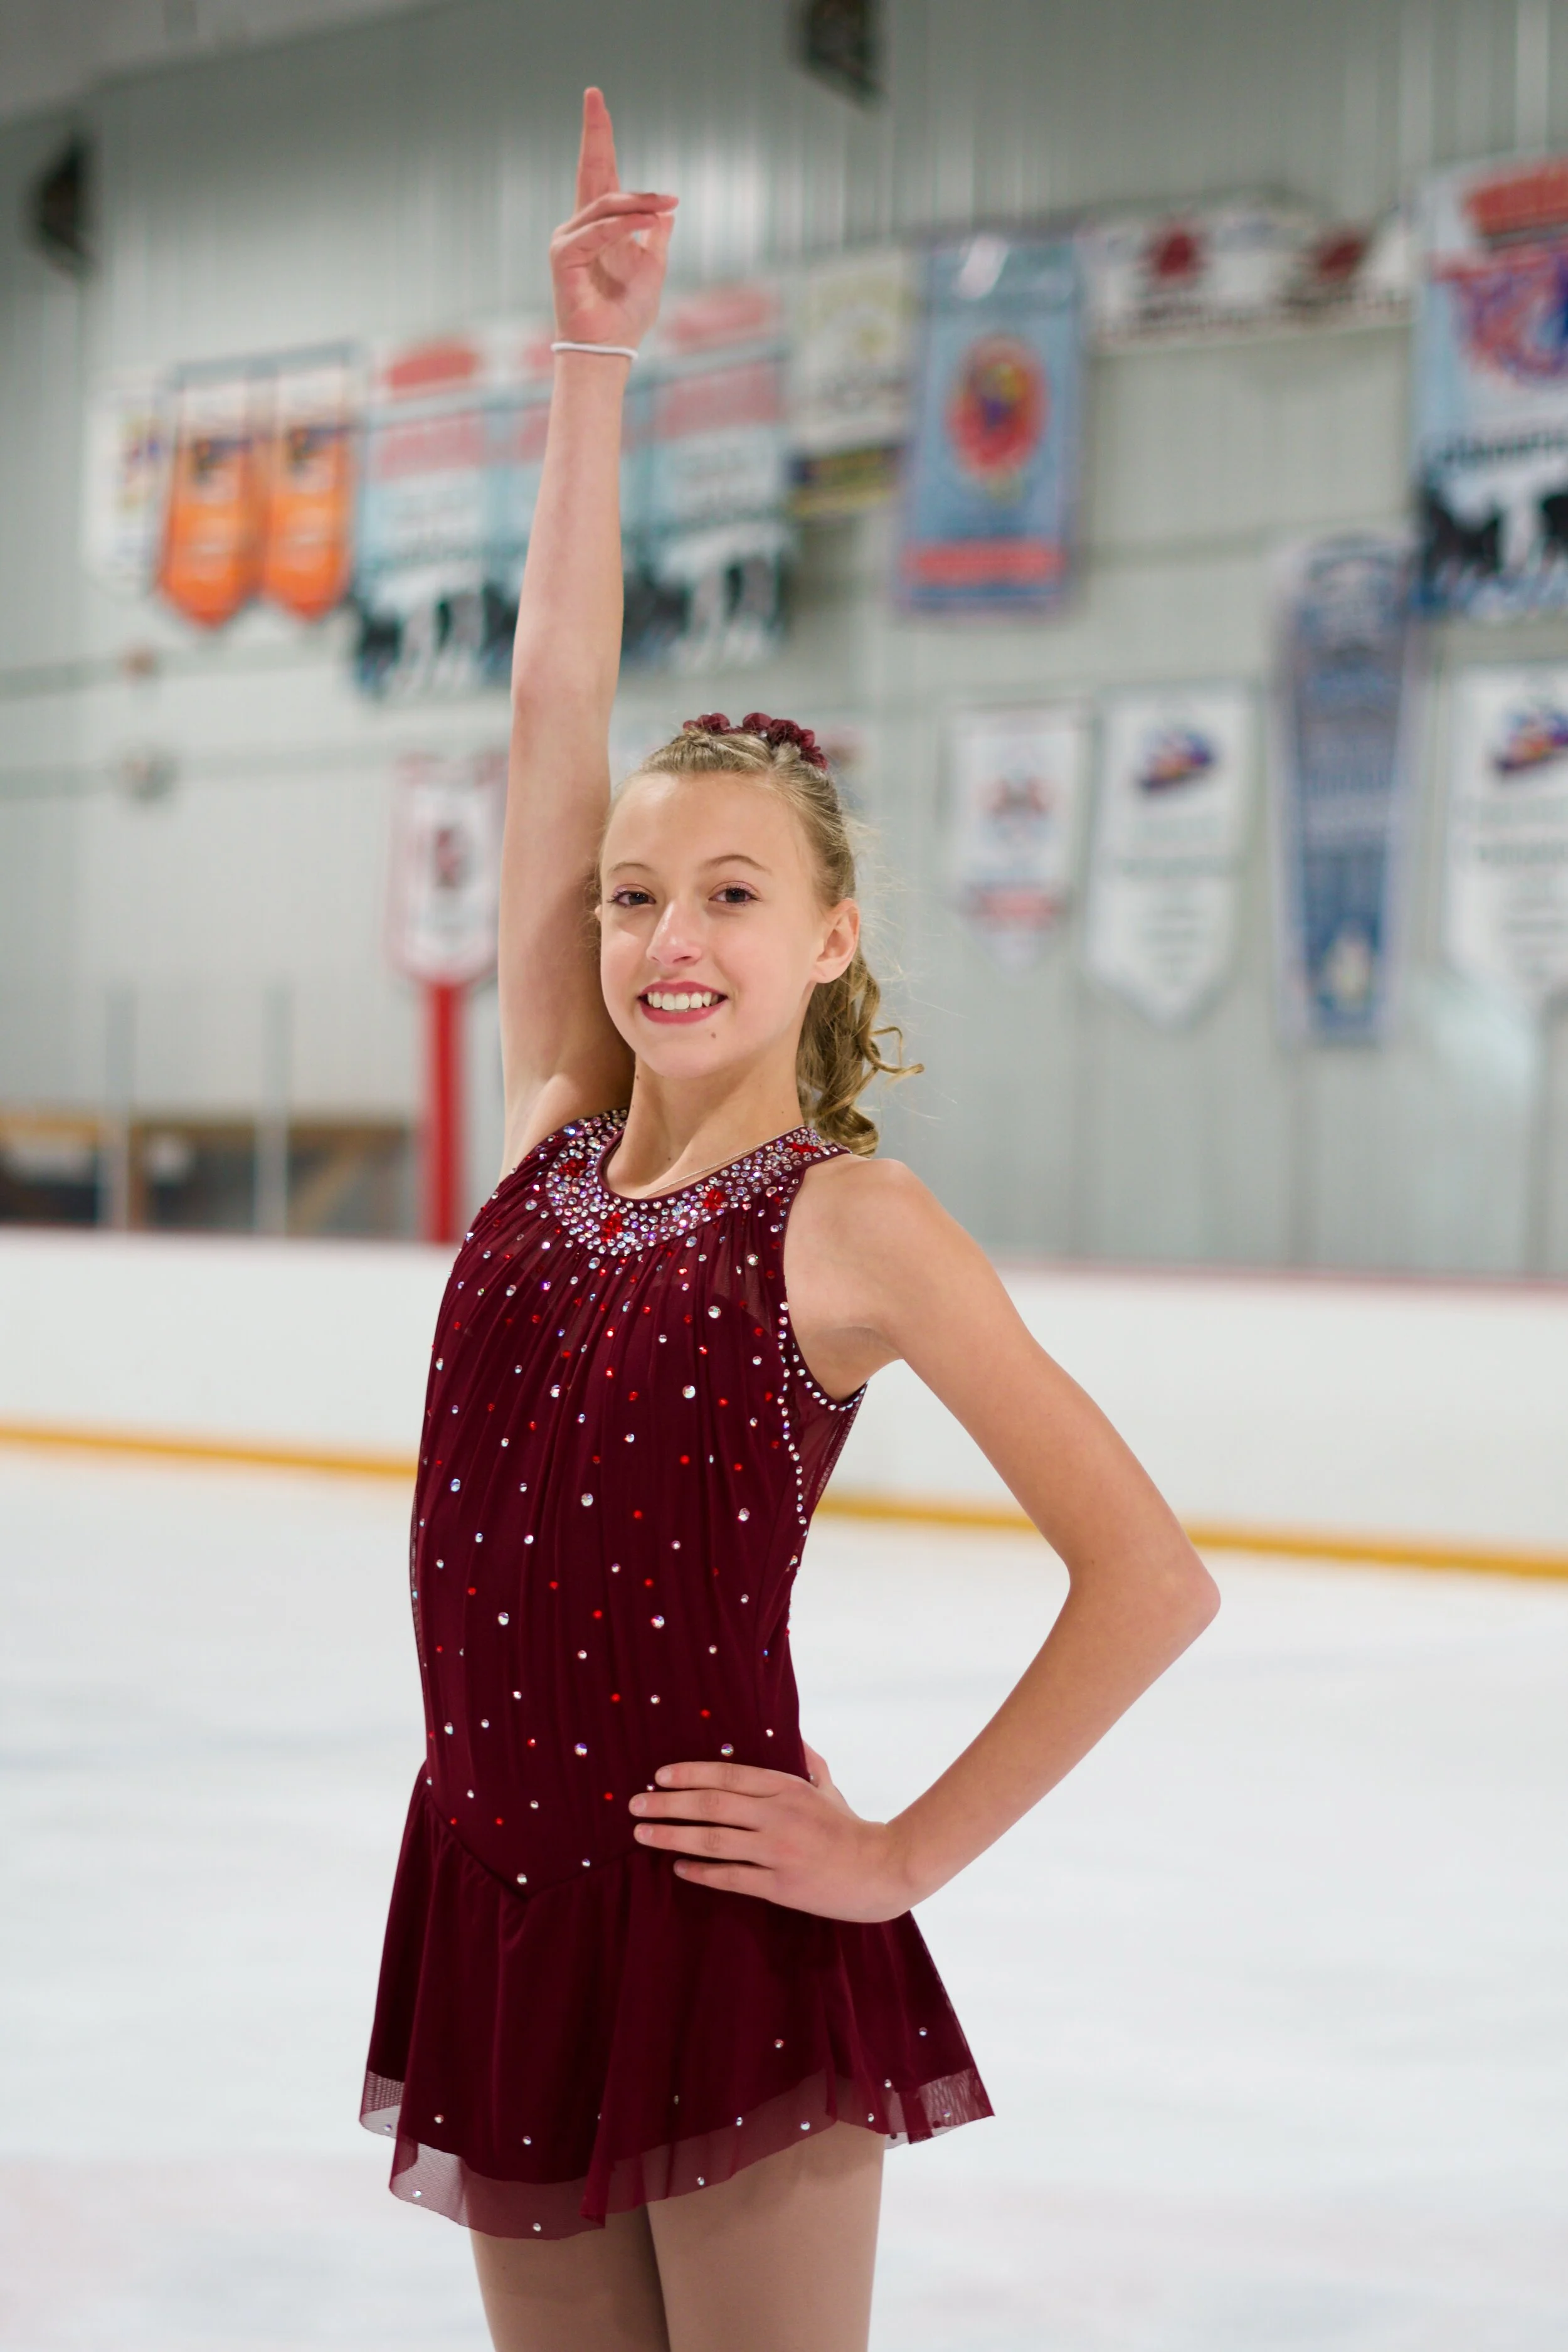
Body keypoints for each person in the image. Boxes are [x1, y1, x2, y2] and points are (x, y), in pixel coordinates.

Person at [361, 87, 1220, 2352]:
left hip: (715, 1920)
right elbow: (555, 695)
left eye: (732, 895)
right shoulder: (554, 1125)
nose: (669, 934)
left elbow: (1151, 1576)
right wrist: (590, 366)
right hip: (495, 1895)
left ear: (831, 939)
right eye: (634, 891)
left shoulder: (847, 1221)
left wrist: (899, 1853)